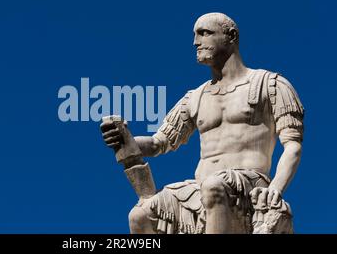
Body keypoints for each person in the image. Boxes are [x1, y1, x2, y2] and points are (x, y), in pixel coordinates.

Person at [100, 12, 304, 234]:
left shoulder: (270, 84)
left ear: (231, 36)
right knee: (140, 215)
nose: (195, 42)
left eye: (204, 33)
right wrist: (125, 139)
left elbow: (292, 145)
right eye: (195, 35)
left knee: (213, 186)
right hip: (201, 191)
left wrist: (275, 188)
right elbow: (159, 143)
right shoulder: (195, 98)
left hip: (248, 188)